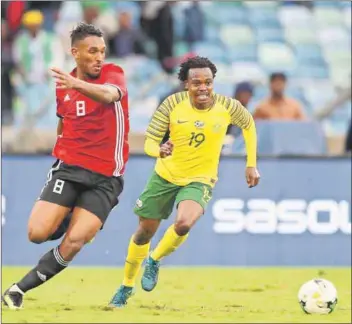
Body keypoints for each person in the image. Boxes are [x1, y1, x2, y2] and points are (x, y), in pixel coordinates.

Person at [109, 56, 260, 307]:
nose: (203, 87)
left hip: (200, 179)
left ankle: (154, 260)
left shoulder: (227, 106)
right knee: (144, 232)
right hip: (165, 175)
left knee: (184, 222)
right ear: (186, 84)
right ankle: (126, 286)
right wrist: (159, 150)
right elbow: (149, 141)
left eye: (208, 82)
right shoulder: (171, 104)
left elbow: (249, 125)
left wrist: (251, 163)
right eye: (196, 82)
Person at [2, 23, 129, 309]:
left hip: (106, 177)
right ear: (75, 53)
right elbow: (63, 120)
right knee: (36, 234)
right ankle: (72, 209)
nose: (99, 57)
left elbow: (109, 95)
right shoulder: (65, 89)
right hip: (70, 169)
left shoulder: (113, 74)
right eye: (92, 51)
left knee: (75, 241)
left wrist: (77, 85)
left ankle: (18, 289)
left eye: (102, 51)